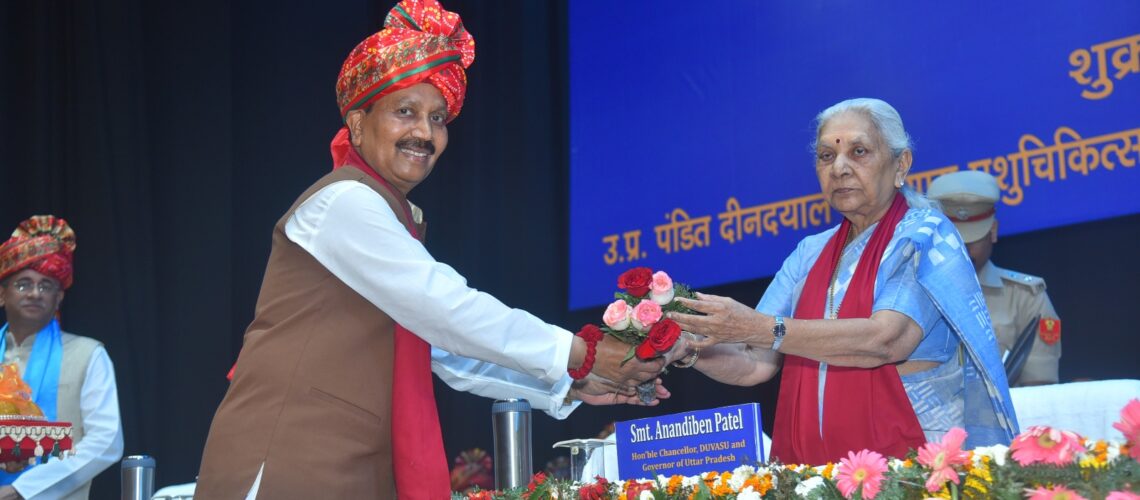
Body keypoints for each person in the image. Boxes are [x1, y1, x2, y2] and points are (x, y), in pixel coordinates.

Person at [196, 1, 663, 498]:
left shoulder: (391, 215)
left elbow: (443, 350)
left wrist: (571, 381)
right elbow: (446, 310)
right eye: (405, 112)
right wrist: (581, 353)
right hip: (286, 460)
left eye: (437, 118)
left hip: (347, 469)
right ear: (357, 124)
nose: (424, 132)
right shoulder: (344, 202)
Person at [667, 98, 1018, 465]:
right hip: (819, 470)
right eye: (826, 156)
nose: (839, 168)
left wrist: (762, 328)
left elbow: (886, 340)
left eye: (859, 151)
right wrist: (689, 349)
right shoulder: (810, 252)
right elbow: (755, 361)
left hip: (913, 462)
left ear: (901, 164)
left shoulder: (923, 236)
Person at [0, 216, 124, 500]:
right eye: (23, 284)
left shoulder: (87, 354)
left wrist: (23, 489)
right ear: (2, 294)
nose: (35, 293)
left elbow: (106, 442)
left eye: (46, 286)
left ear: (58, 298)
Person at [927, 170, 1061, 386]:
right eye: (954, 239)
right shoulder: (913, 294)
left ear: (993, 231)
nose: (963, 250)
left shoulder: (1025, 298)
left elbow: (1040, 387)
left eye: (972, 240)